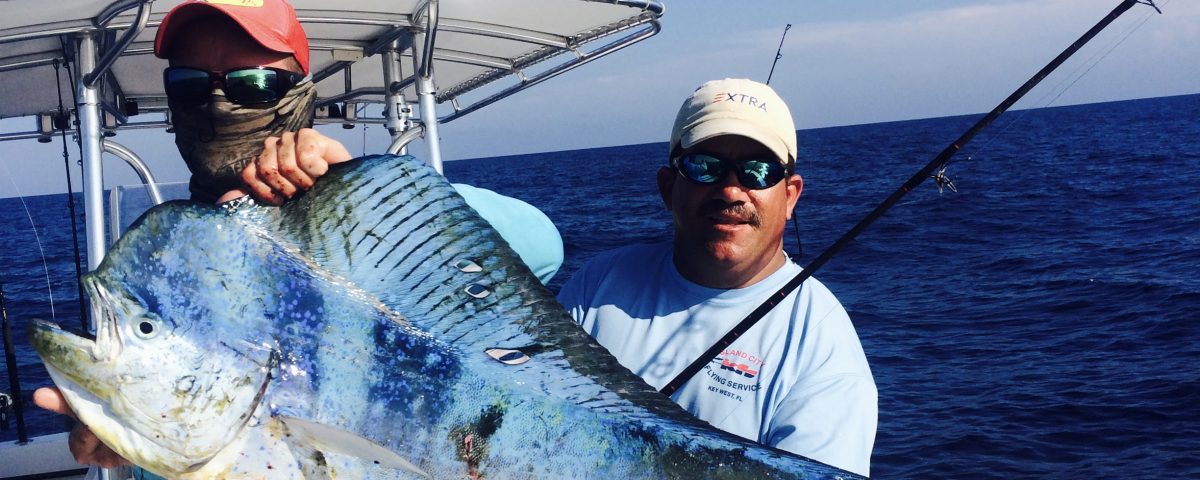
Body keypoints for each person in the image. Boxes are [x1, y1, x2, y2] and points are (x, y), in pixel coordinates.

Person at [34, 0, 562, 470]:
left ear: (300, 94)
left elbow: (542, 247)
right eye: (190, 84)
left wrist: (358, 197)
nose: (219, 102)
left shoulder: (358, 228)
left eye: (253, 83)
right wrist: (132, 440)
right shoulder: (167, 265)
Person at [556, 78, 877, 476]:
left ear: (790, 195)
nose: (730, 191)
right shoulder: (596, 285)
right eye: (705, 167)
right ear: (668, 187)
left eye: (758, 171)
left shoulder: (821, 343)